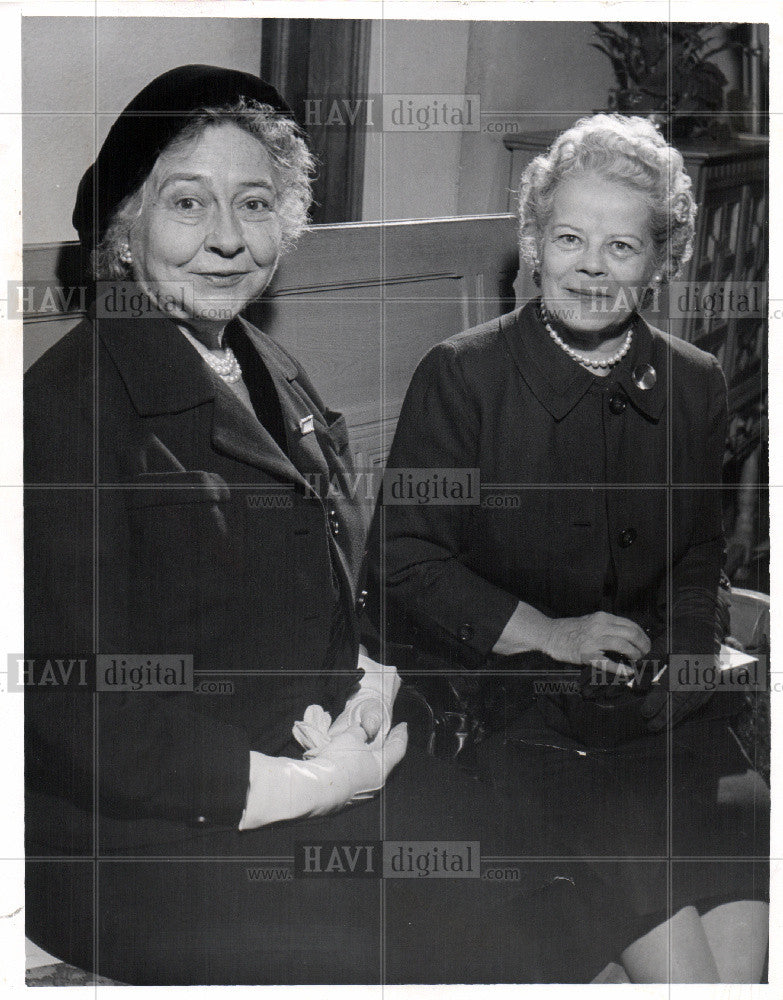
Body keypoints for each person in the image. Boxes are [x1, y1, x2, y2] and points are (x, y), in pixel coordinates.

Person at [24, 68, 629, 986]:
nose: (227, 239)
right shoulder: (63, 410)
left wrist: (368, 681)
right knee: (419, 955)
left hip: (318, 756)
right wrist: (302, 787)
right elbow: (69, 706)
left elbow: (318, 576)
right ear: (123, 228)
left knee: (547, 898)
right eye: (187, 203)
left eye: (256, 203)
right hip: (152, 836)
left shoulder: (269, 366)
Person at [367, 114, 769, 983]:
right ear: (532, 244)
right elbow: (403, 566)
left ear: (663, 261)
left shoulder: (693, 381)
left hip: (663, 723)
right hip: (523, 725)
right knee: (690, 982)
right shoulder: (462, 374)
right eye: (568, 238)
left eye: (621, 246)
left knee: (743, 974)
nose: (591, 266)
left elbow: (700, 549)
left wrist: (691, 660)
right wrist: (553, 635)